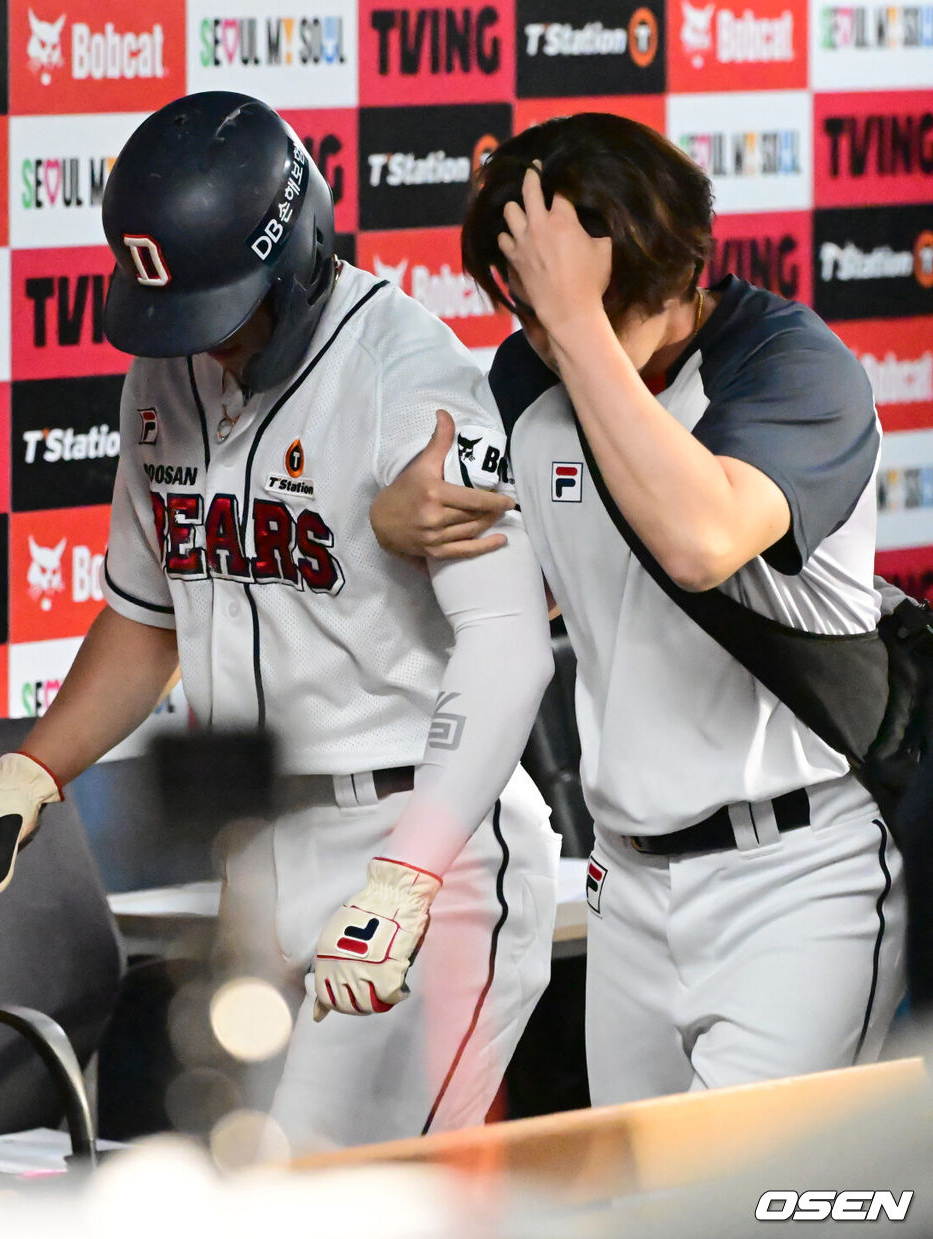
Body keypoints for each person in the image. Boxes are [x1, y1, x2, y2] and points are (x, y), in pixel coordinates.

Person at [0, 92, 561, 1152]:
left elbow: (508, 652)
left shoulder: (411, 381)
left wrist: (408, 876)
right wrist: (31, 774)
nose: (202, 344)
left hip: (419, 837)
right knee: (244, 1180)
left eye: (220, 312)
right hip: (258, 850)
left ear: (298, 255)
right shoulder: (167, 367)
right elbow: (148, 616)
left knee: (325, 1190)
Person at [370, 111, 907, 1103]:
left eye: (548, 293)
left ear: (643, 271)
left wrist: (577, 327)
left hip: (792, 878)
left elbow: (700, 540)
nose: (526, 324)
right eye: (519, 301)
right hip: (623, 883)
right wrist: (402, 512)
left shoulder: (792, 365)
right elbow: (457, 536)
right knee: (645, 1202)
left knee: (746, 1203)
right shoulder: (527, 376)